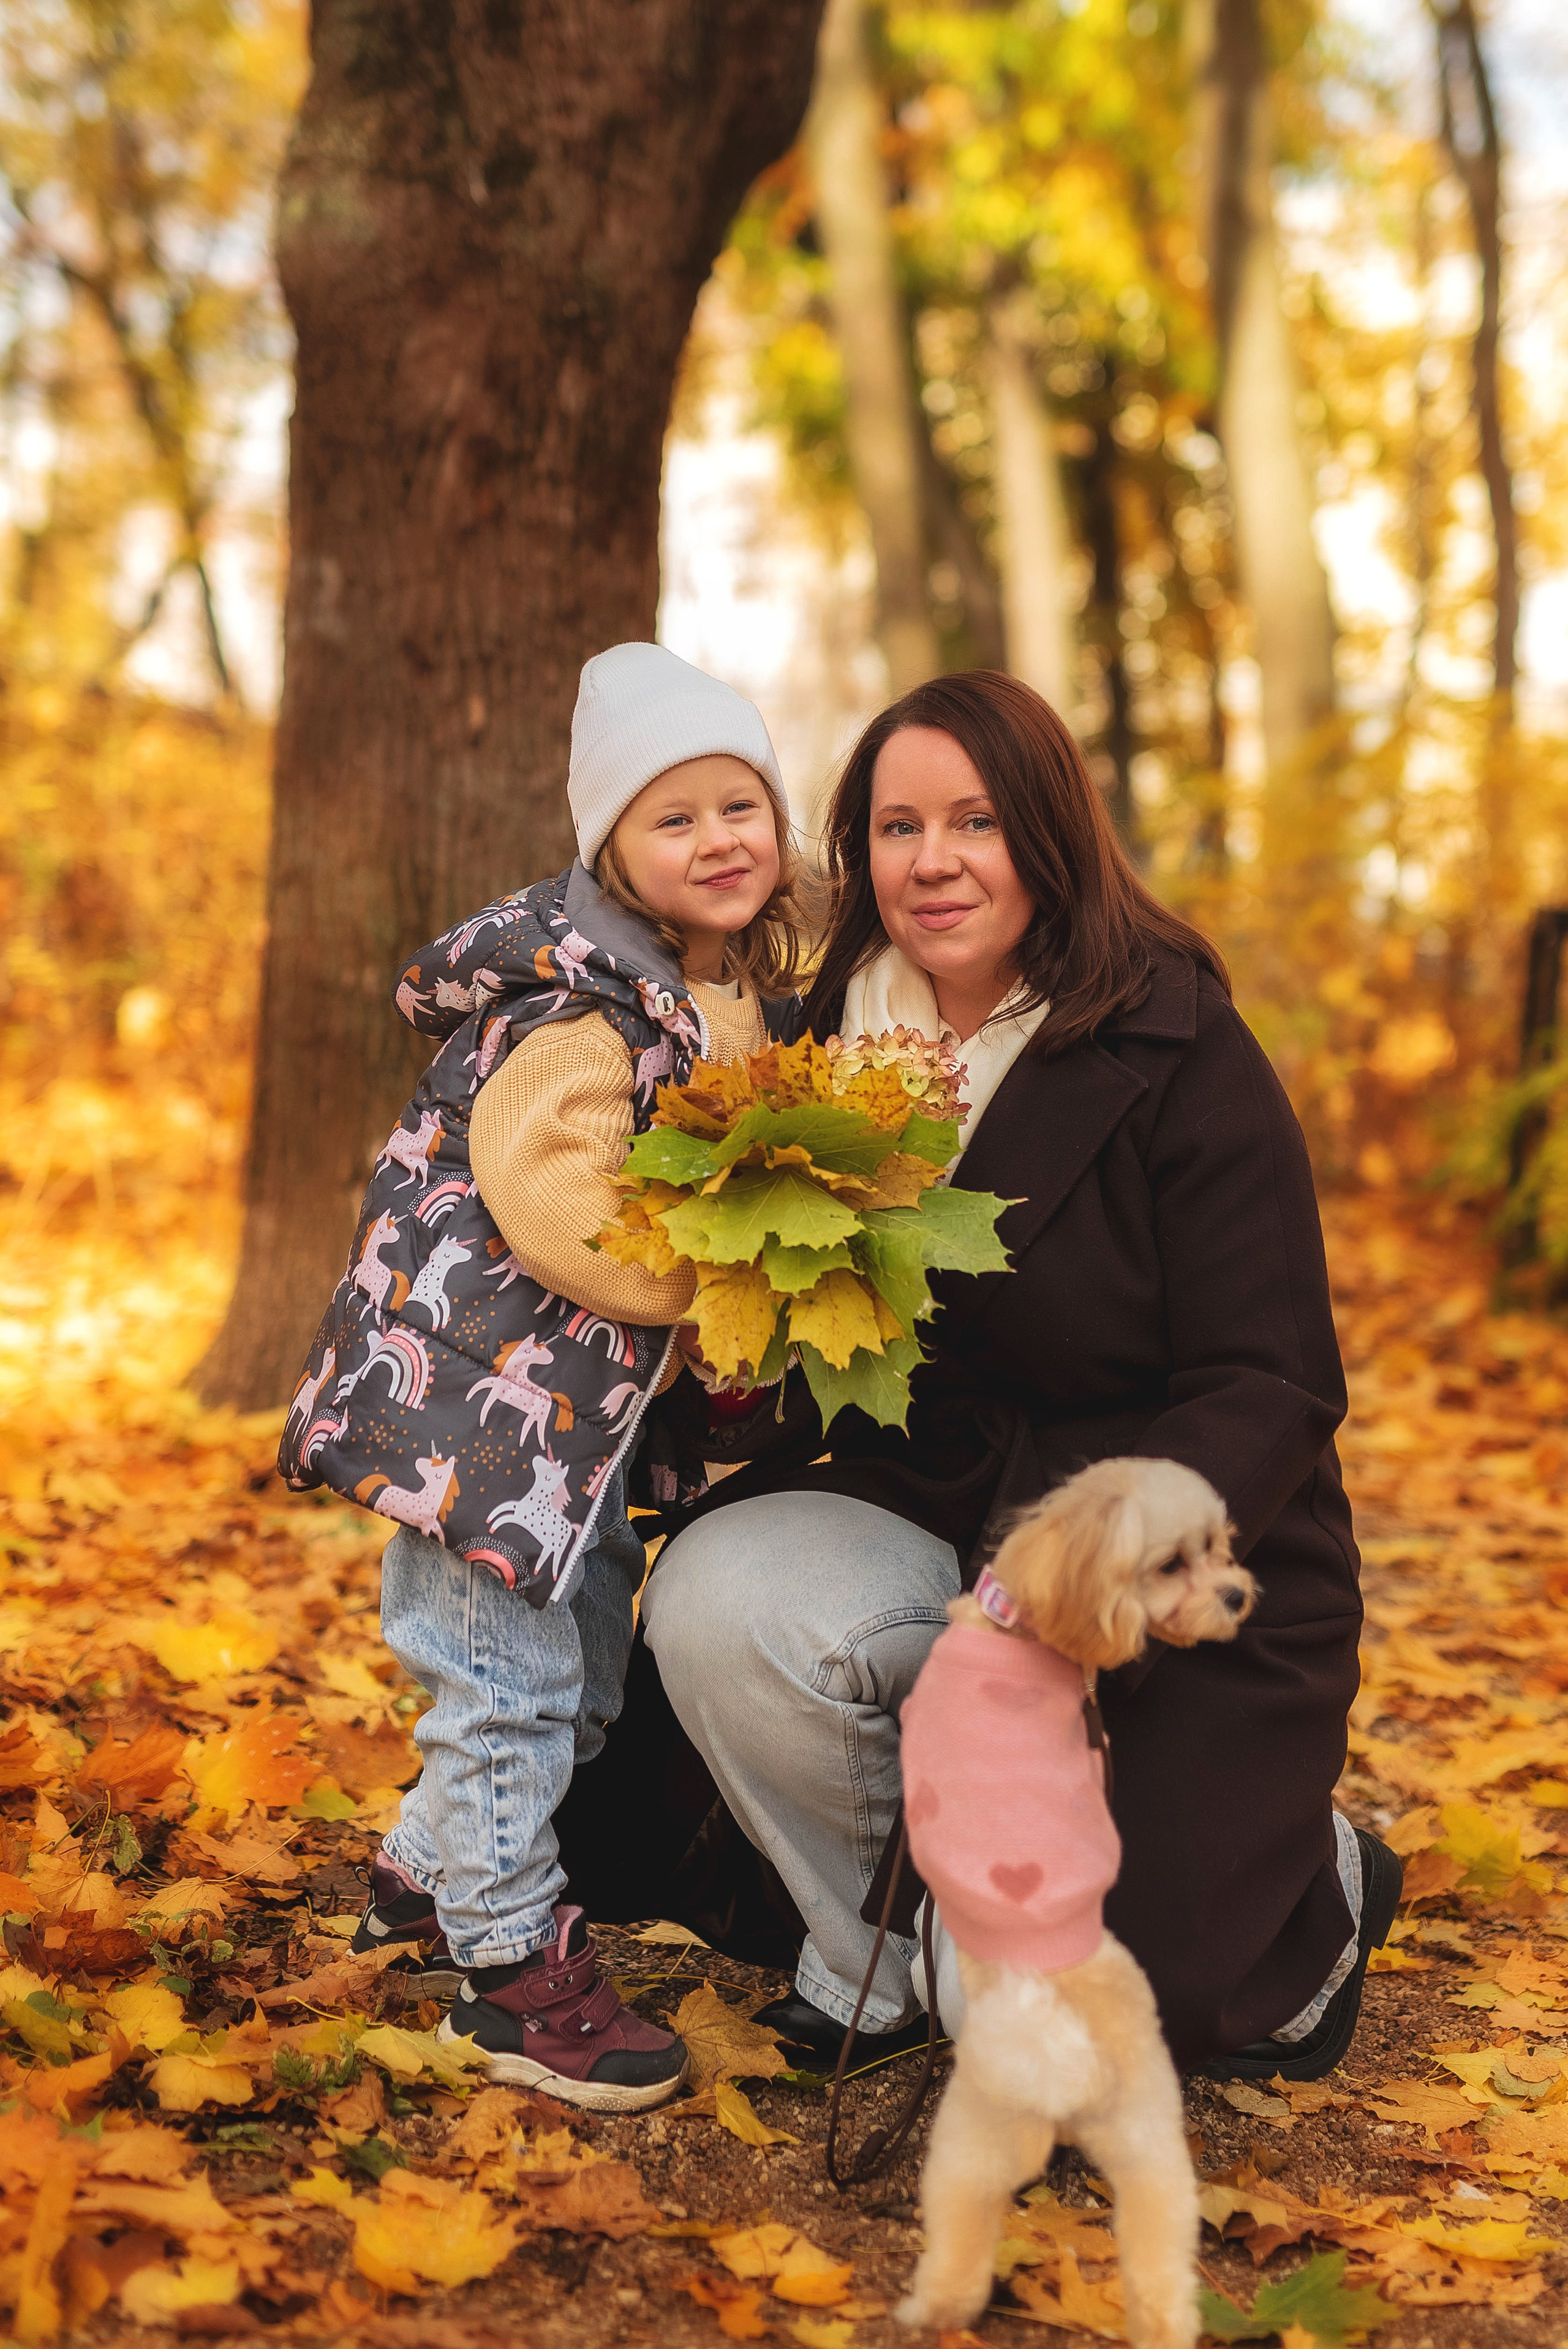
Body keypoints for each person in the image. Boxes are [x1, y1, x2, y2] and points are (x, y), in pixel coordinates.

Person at [557, 668, 1399, 2082]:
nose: (932, 862)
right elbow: (816, 1348)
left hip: (1167, 1538)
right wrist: (730, 1365)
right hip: (934, 1501)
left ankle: (1313, 1879)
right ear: (857, 852)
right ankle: (878, 1955)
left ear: (1047, 838)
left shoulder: (1176, 1044)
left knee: (1153, 2013)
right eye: (896, 827)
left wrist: (1088, 1565)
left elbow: (1271, 1381)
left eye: (975, 822)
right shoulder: (821, 1037)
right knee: (717, 1592)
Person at [279, 642, 806, 2108]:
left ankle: (425, 1873)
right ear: (615, 855)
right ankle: (508, 1968)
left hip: (576, 1443)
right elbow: (555, 1200)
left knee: (571, 1680)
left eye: (738, 806)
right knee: (501, 1685)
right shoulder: (576, 1009)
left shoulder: (719, 996)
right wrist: (715, 1277)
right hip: (477, 1421)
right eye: (673, 817)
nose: (717, 840)